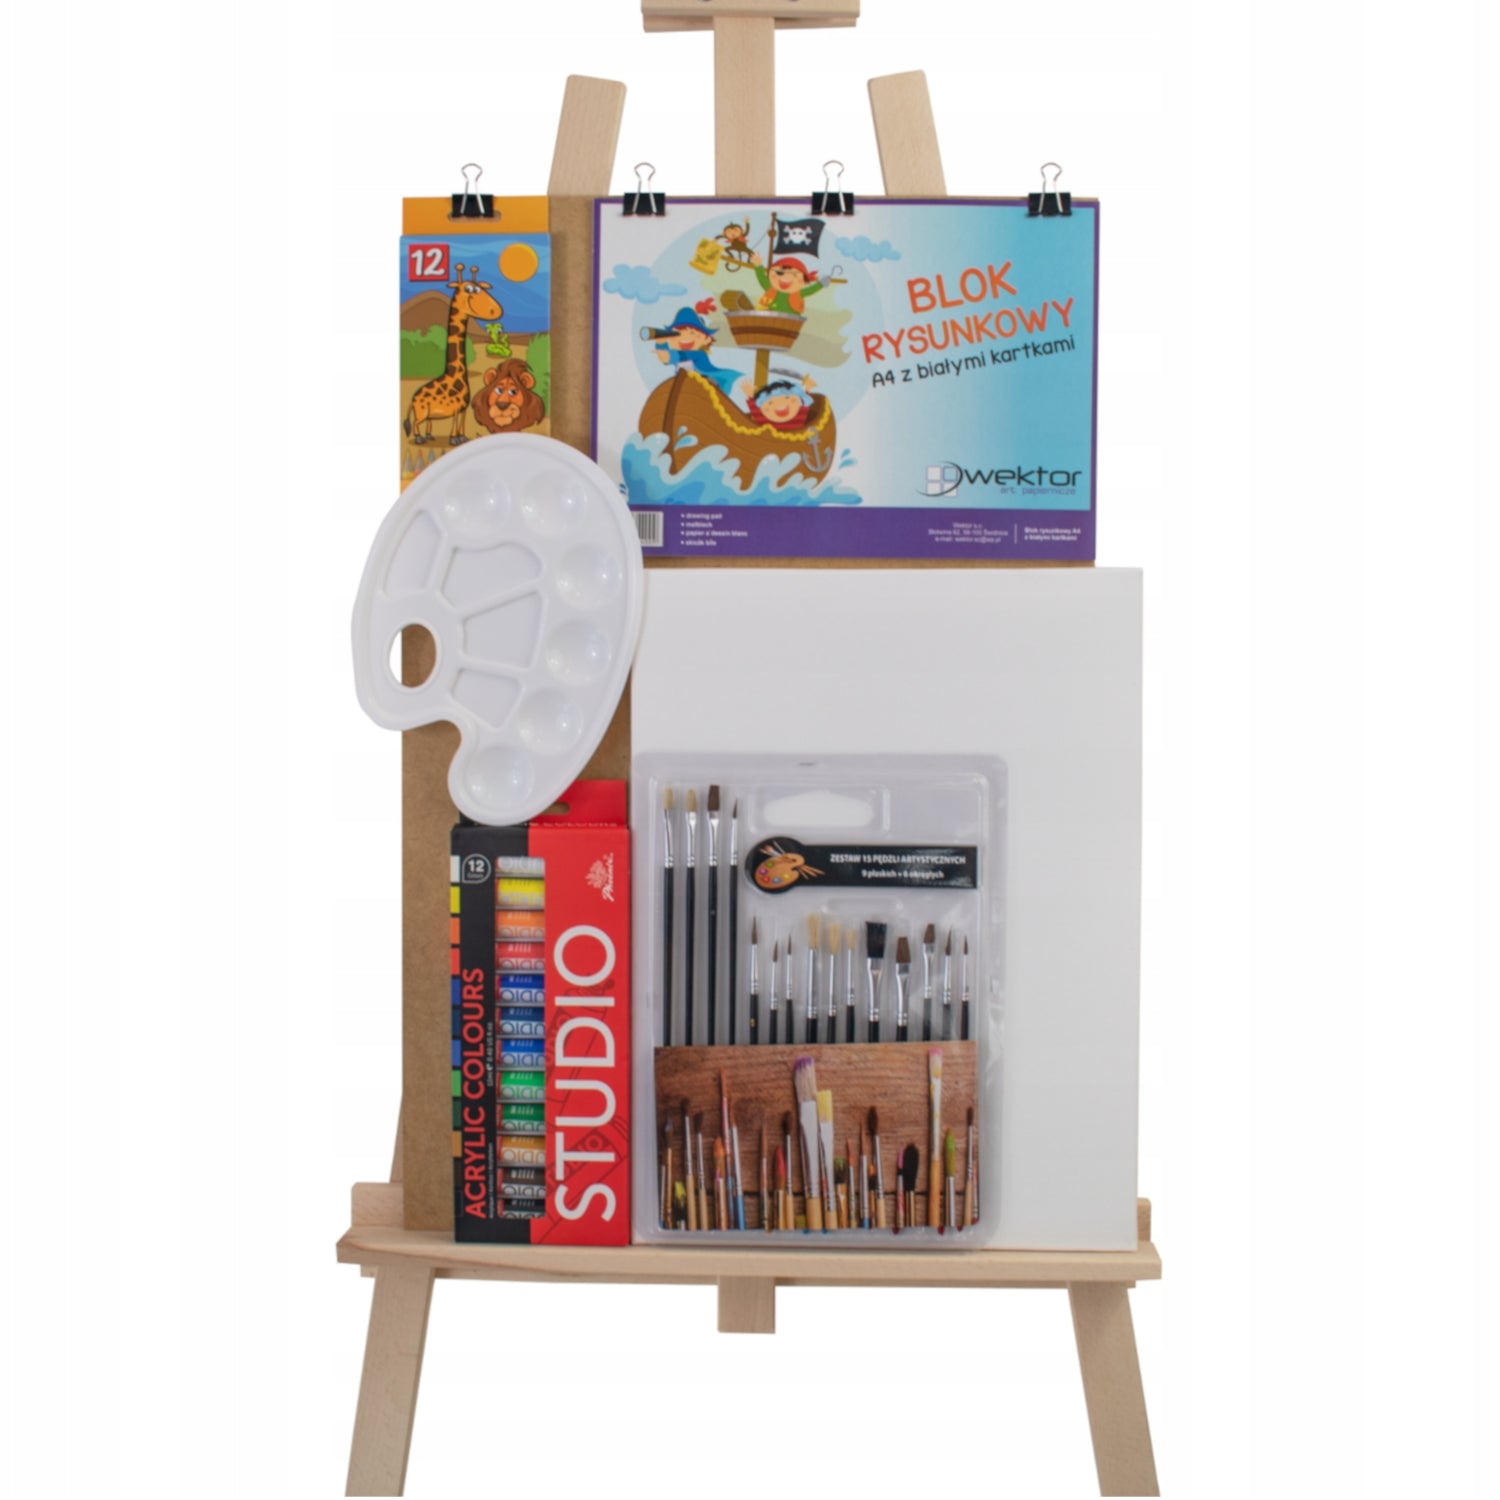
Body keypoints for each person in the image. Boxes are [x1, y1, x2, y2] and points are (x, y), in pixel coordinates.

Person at [649, 306, 741, 397]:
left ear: (707, 339)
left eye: (692, 333)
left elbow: (681, 355)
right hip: (685, 388)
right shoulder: (677, 356)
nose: (684, 337)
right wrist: (661, 343)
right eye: (678, 334)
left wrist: (668, 355)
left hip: (706, 386)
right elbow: (665, 358)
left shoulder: (700, 354)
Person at [749, 254, 824, 315]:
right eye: (779, 273)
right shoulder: (770, 288)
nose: (786, 277)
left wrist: (821, 284)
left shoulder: (798, 293)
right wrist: (758, 265)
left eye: (794, 275)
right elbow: (762, 279)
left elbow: (810, 290)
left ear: (804, 282)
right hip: (771, 317)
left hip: (791, 320)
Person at [743, 375, 816, 430]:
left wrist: (808, 388)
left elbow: (805, 401)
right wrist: (749, 395)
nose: (780, 404)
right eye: (770, 402)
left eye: (787, 397)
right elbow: (755, 410)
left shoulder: (799, 412)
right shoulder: (762, 418)